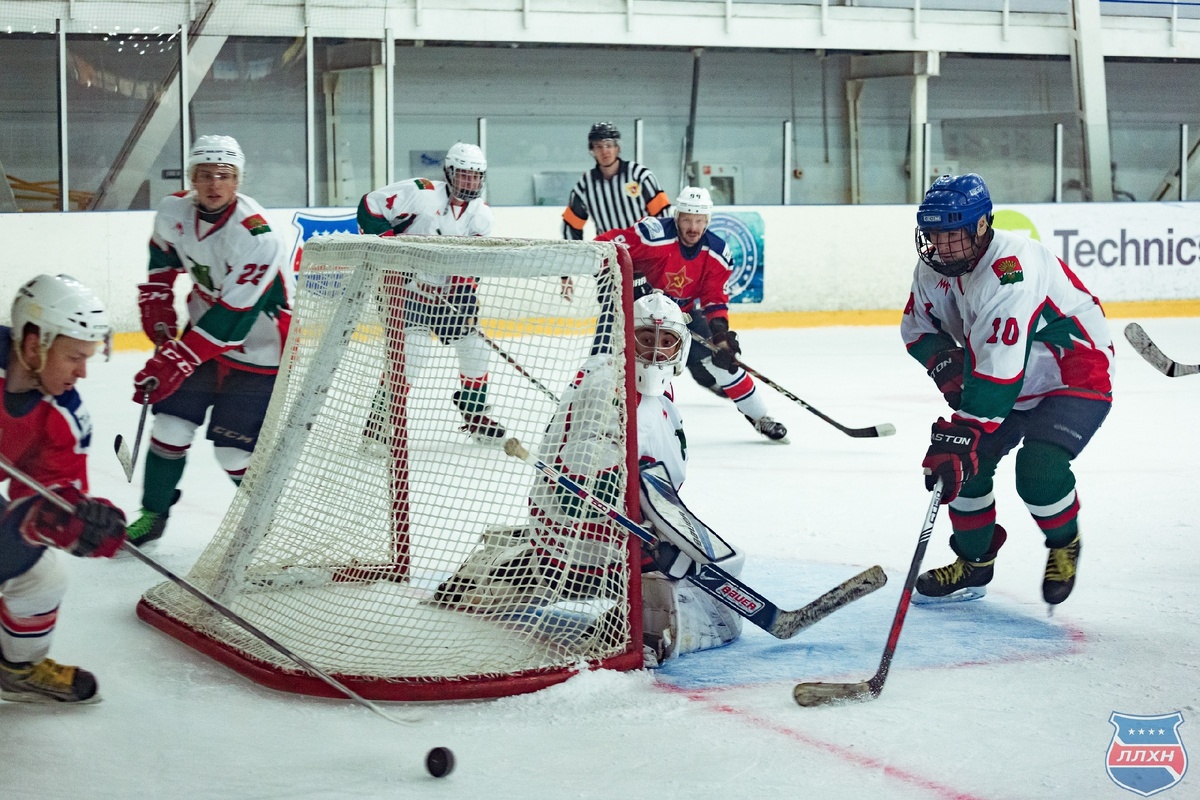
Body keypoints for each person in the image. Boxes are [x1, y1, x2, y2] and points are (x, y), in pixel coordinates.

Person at [432, 283, 745, 666]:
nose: (656, 350)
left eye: (667, 341)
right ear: (625, 340)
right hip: (583, 524)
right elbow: (579, 473)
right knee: (668, 573)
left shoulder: (648, 392)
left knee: (563, 572)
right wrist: (628, 497)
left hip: (592, 527)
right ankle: (631, 629)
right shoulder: (606, 388)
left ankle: (488, 574)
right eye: (646, 337)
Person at [902, 173, 1113, 606]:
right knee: (967, 469)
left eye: (952, 234)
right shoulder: (932, 268)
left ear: (982, 226)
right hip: (1003, 375)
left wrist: (967, 430)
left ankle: (1064, 543)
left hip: (1071, 371)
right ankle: (974, 563)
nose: (940, 246)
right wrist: (947, 366)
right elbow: (916, 328)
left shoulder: (1009, 268)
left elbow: (1000, 369)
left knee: (1038, 470)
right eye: (933, 234)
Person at [127, 135, 295, 545]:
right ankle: (153, 514)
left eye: (224, 175)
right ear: (192, 178)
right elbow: (162, 267)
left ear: (238, 181)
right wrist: (160, 320)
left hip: (260, 346)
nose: (214, 184)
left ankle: (265, 527)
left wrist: (176, 361)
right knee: (170, 425)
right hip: (203, 332)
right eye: (205, 174)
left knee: (233, 452)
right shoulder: (173, 210)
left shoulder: (258, 235)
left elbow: (234, 319)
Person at [0, 274, 127, 703]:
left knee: (41, 576)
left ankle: (17, 668)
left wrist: (65, 519)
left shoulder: (65, 416)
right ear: (36, 345)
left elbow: (47, 492)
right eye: (74, 356)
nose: (82, 372)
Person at [597, 187, 788, 443]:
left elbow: (714, 299)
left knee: (727, 364)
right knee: (610, 366)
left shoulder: (717, 253)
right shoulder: (652, 236)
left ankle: (761, 417)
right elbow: (603, 248)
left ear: (707, 221)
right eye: (687, 218)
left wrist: (721, 337)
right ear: (677, 217)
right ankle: (601, 420)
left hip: (681, 315)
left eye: (699, 220)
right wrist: (630, 282)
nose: (693, 227)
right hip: (635, 315)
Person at [356, 142, 505, 440]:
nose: (470, 183)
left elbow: (472, 265)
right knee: (414, 352)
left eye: (476, 177)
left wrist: (462, 296)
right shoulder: (420, 192)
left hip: (445, 296)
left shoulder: (481, 215)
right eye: (464, 175)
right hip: (404, 290)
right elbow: (368, 206)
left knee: (475, 350)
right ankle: (381, 420)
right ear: (449, 173)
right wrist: (393, 251)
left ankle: (475, 415)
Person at [559, 122, 672, 302]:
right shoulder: (585, 186)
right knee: (609, 316)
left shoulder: (641, 176)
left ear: (617, 147)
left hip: (646, 259)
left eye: (609, 145)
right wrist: (565, 272)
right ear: (592, 151)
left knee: (650, 315)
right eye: (598, 146)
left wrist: (670, 260)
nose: (605, 151)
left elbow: (665, 218)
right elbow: (570, 229)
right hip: (609, 259)